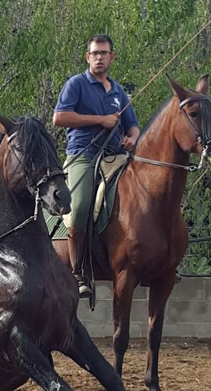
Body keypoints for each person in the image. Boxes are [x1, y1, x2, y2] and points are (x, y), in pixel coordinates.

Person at [53, 34, 140, 298]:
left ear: (112, 57)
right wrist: (99, 120)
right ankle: (78, 272)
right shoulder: (77, 84)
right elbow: (59, 117)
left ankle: (156, 261)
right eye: (95, 53)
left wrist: (132, 138)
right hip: (83, 155)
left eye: (104, 53)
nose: (99, 57)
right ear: (88, 57)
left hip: (115, 157)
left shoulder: (117, 91)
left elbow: (133, 125)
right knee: (78, 207)